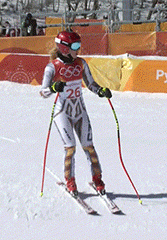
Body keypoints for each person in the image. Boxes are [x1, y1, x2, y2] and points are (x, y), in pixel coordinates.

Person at [40, 30, 112, 196]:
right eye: (75, 46)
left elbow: (91, 84)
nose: (78, 49)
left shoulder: (81, 63)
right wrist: (53, 88)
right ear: (64, 48)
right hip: (62, 112)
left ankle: (97, 179)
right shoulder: (52, 67)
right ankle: (70, 181)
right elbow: (43, 92)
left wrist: (101, 91)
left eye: (79, 45)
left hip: (80, 111)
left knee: (89, 146)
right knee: (70, 148)